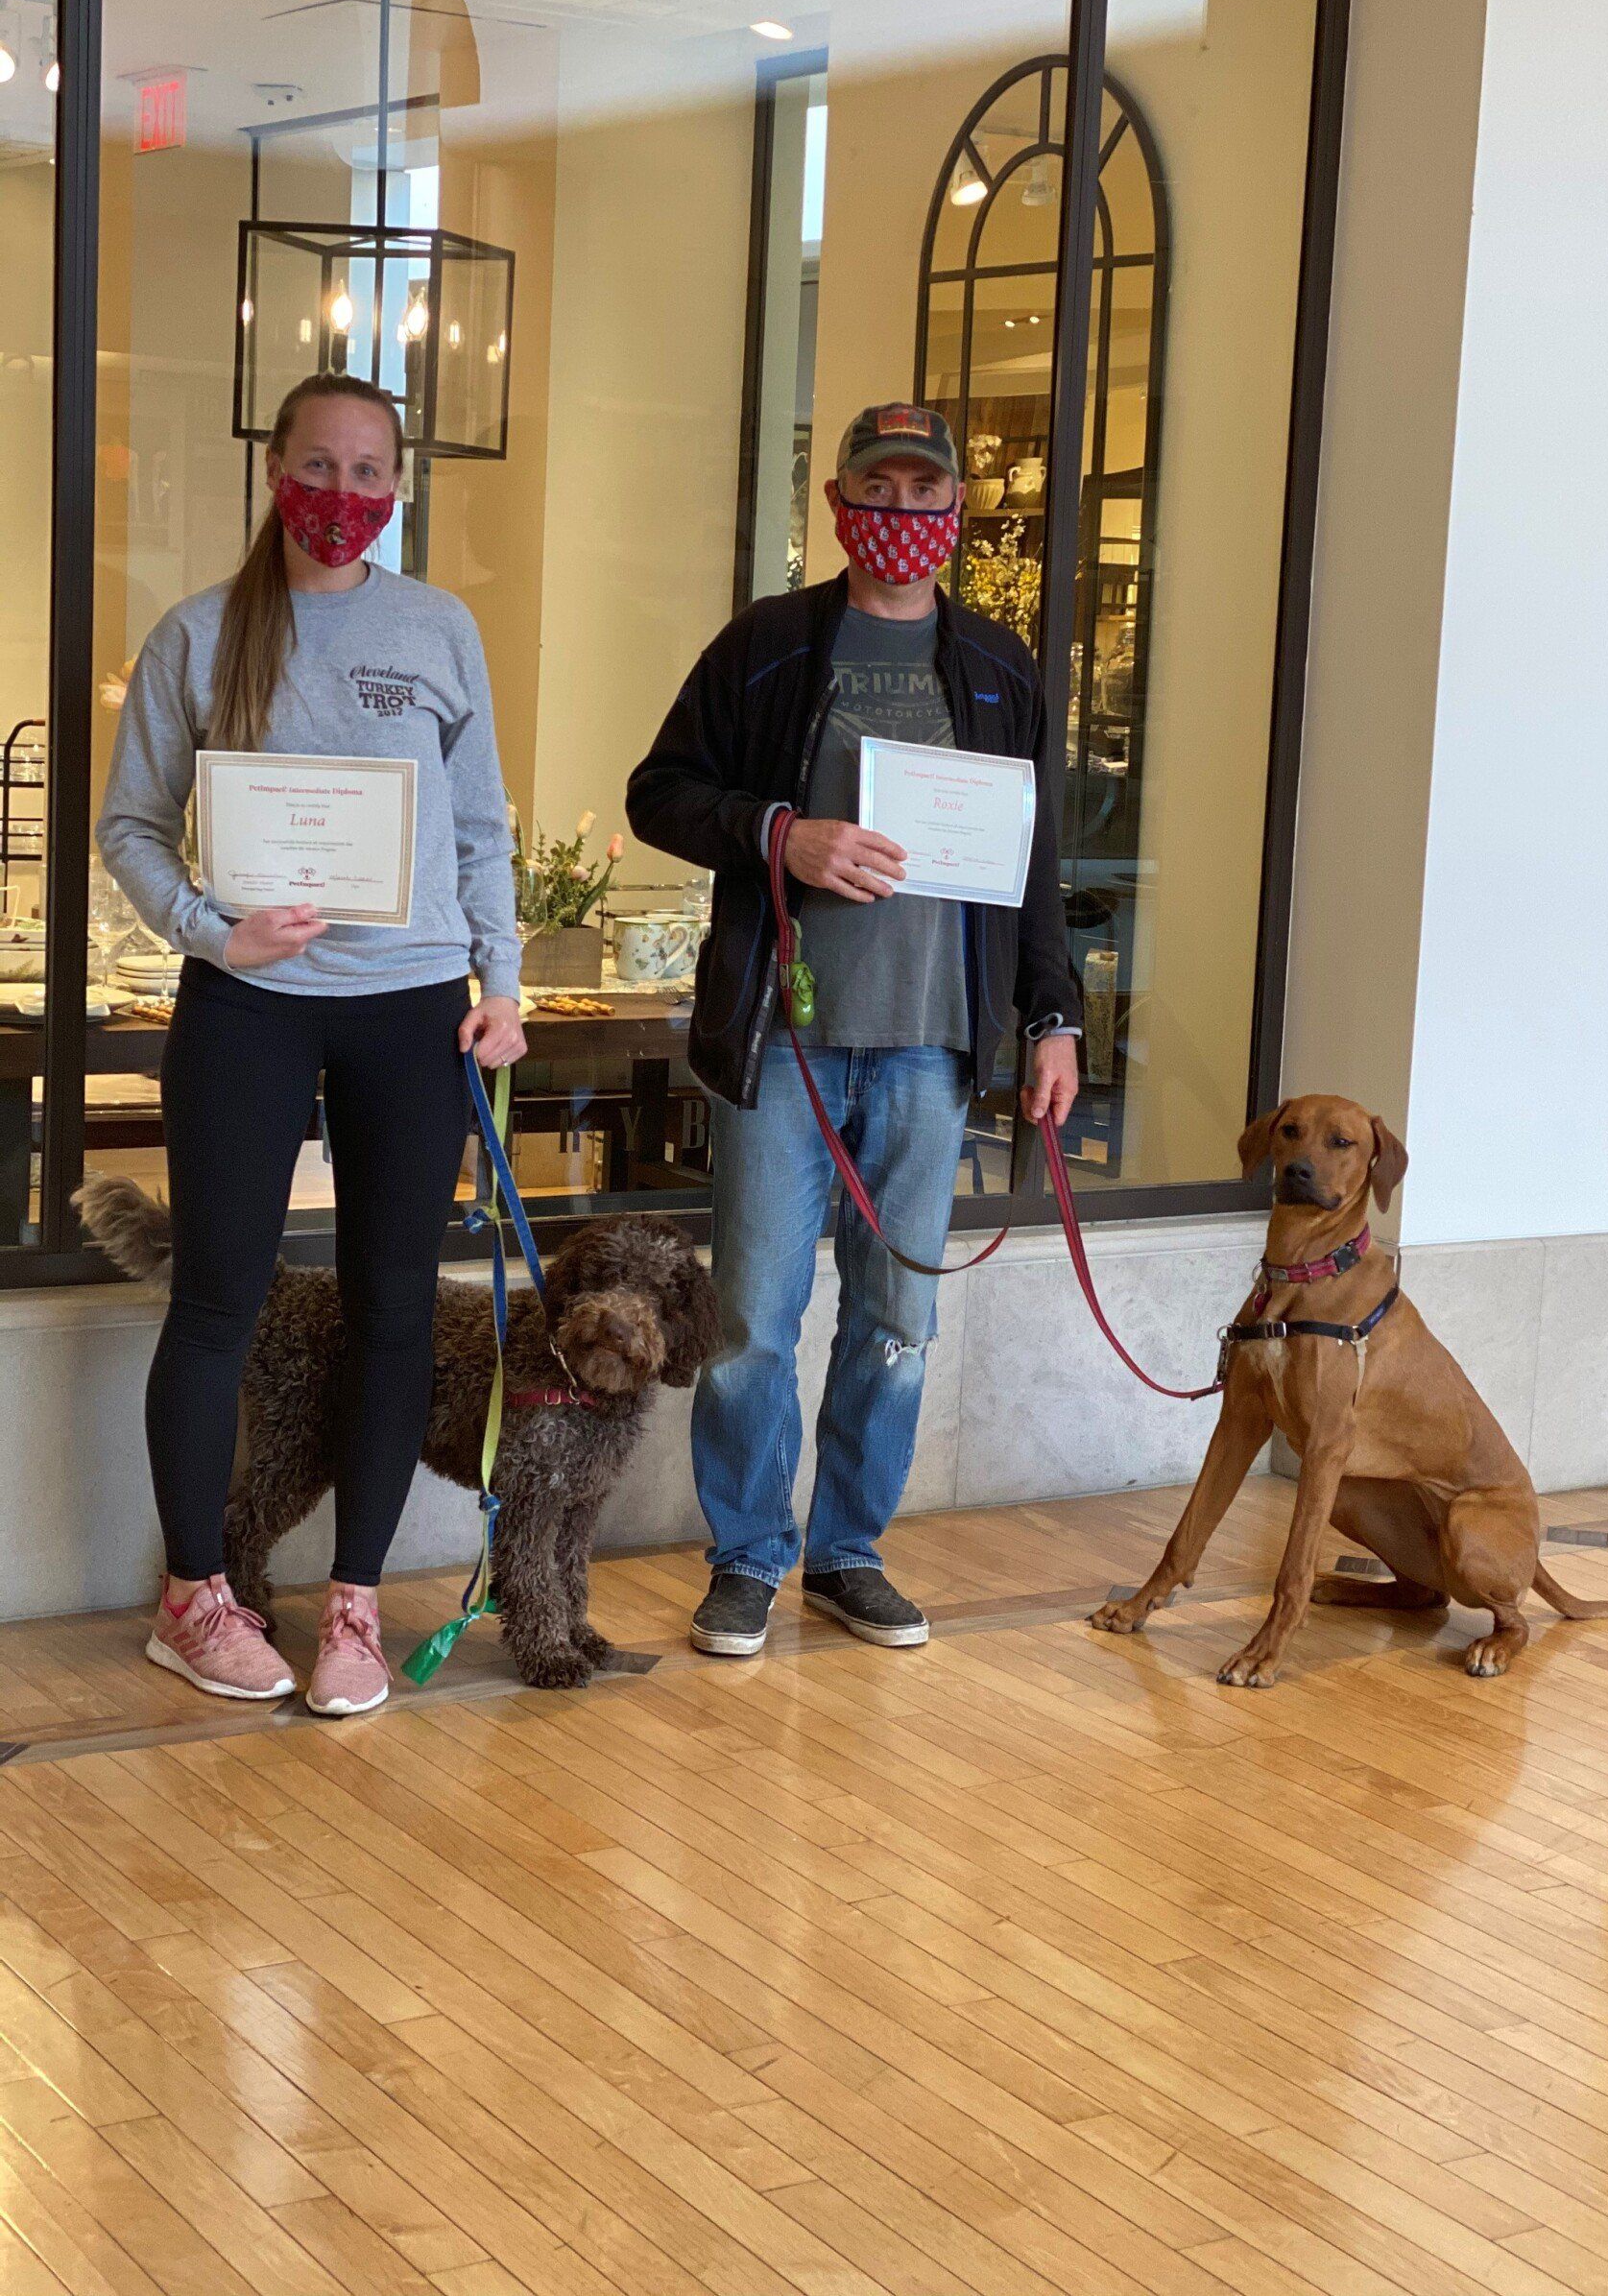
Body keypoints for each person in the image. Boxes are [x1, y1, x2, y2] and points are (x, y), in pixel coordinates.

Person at [97, 371, 526, 1717]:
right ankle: (195, 1599)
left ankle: (352, 1606)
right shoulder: (199, 633)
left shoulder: (439, 628)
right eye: (320, 465)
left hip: (412, 1003)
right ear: (274, 465)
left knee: (394, 1306)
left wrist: (500, 982)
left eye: (369, 471)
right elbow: (130, 829)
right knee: (219, 1300)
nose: (343, 495)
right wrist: (215, 934)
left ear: (398, 485)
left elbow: (479, 830)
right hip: (247, 1006)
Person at [629, 401, 1080, 1657]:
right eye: (878, 493)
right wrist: (784, 832)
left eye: (925, 496)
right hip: (786, 1049)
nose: (903, 518)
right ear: (838, 507)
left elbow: (1033, 865)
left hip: (934, 1052)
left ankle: (847, 1555)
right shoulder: (767, 647)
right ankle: (747, 1559)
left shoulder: (997, 670)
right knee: (751, 1329)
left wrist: (1053, 1015)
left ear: (954, 512)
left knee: (896, 1326)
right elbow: (659, 791)